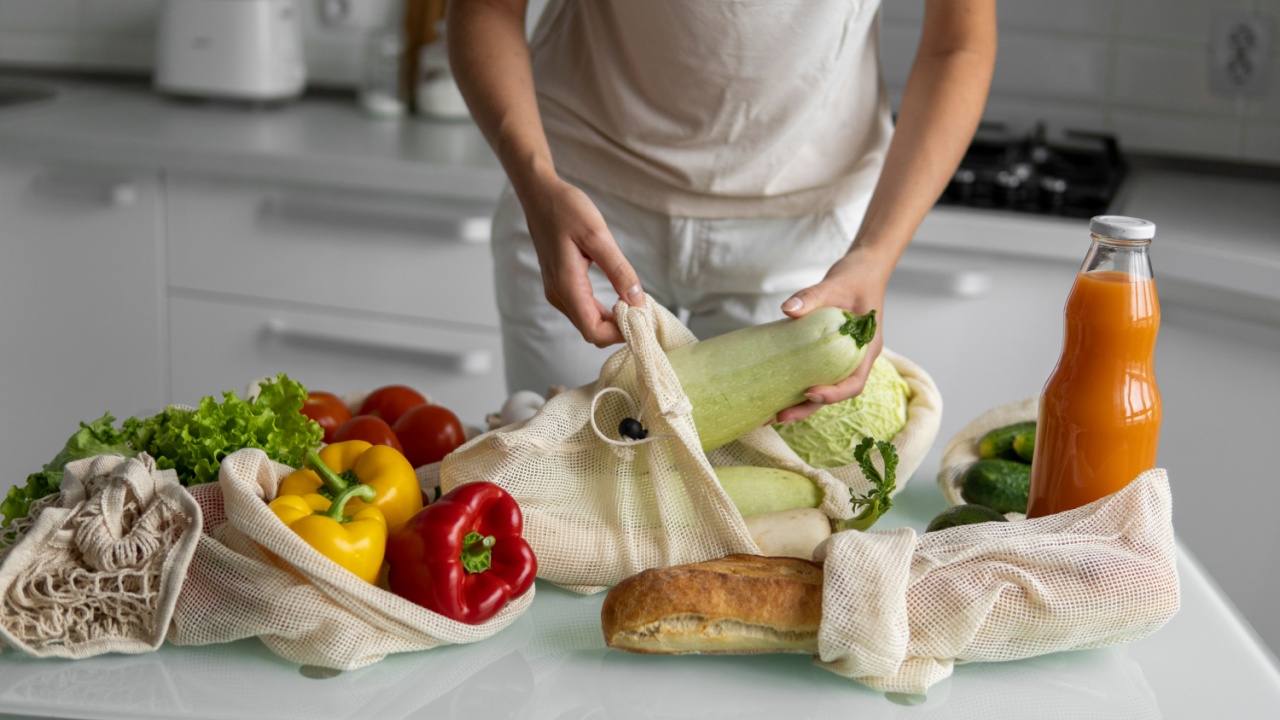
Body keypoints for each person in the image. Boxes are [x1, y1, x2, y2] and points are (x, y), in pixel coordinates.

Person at [449, 0, 996, 423]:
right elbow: (488, 7)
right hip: (579, 205)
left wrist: (875, 255)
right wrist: (537, 181)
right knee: (566, 494)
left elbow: (959, 43)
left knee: (745, 533)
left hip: (801, 235)